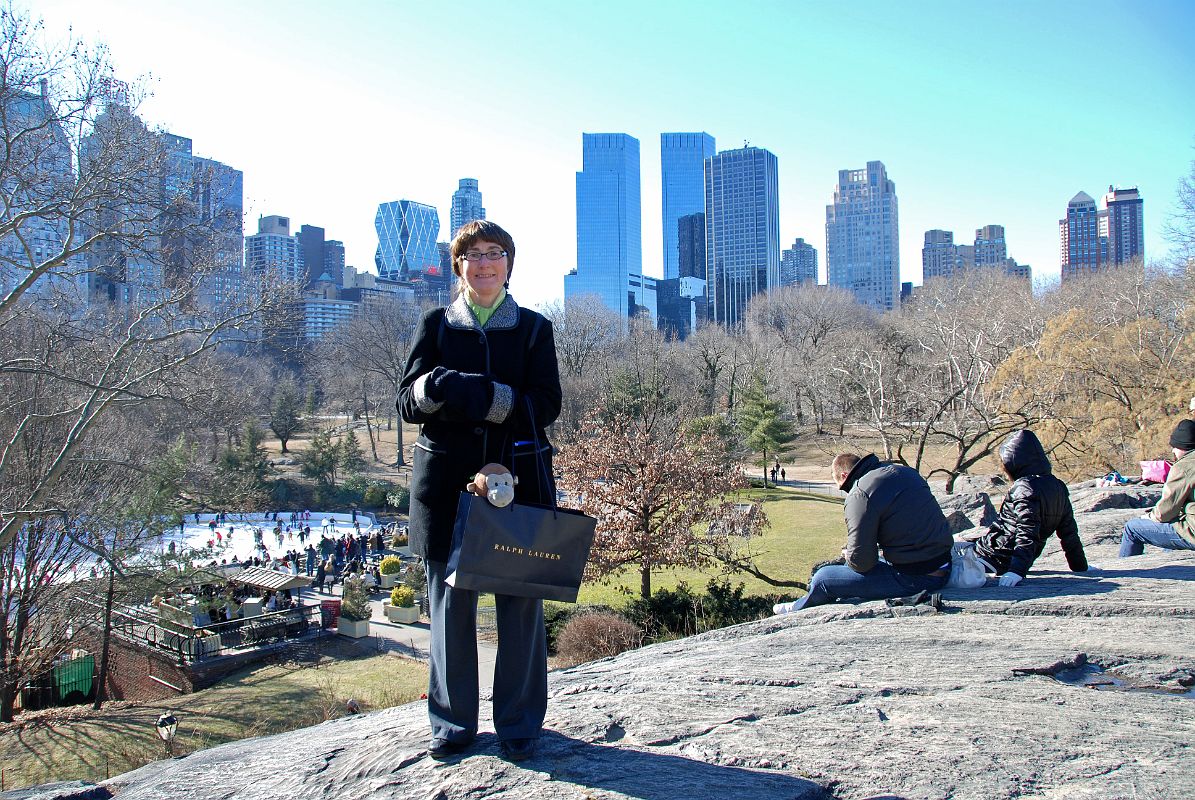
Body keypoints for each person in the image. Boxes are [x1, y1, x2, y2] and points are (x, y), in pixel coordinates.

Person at [397, 220, 562, 763]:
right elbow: (405, 404)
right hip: (446, 488)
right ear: (458, 265)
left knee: (520, 607)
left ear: (509, 265)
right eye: (473, 254)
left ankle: (518, 725)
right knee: (449, 606)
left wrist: (486, 396)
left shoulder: (535, 330)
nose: (486, 263)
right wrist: (435, 386)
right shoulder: (436, 326)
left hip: (518, 483)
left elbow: (547, 406)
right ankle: (451, 724)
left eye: (496, 254)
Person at [776, 452, 953, 612]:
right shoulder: (905, 472)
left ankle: (796, 610)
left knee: (823, 578)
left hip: (918, 577)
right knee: (843, 568)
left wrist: (849, 555)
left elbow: (862, 563)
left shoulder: (860, 493)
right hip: (944, 563)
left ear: (844, 476)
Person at [968, 429, 1088, 585]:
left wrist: (1016, 571)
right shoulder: (1058, 486)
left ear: (1014, 462)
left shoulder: (1024, 488)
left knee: (939, 556)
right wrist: (1080, 567)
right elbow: (1069, 533)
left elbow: (1027, 531)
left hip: (992, 558)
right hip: (1005, 557)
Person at [1120, 419, 1195, 557]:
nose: (1172, 450)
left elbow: (1165, 512)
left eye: (1175, 446)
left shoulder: (1185, 466)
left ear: (1184, 446)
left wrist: (1148, 517)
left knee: (1132, 528)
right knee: (1171, 534)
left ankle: (1124, 572)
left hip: (1193, 533)